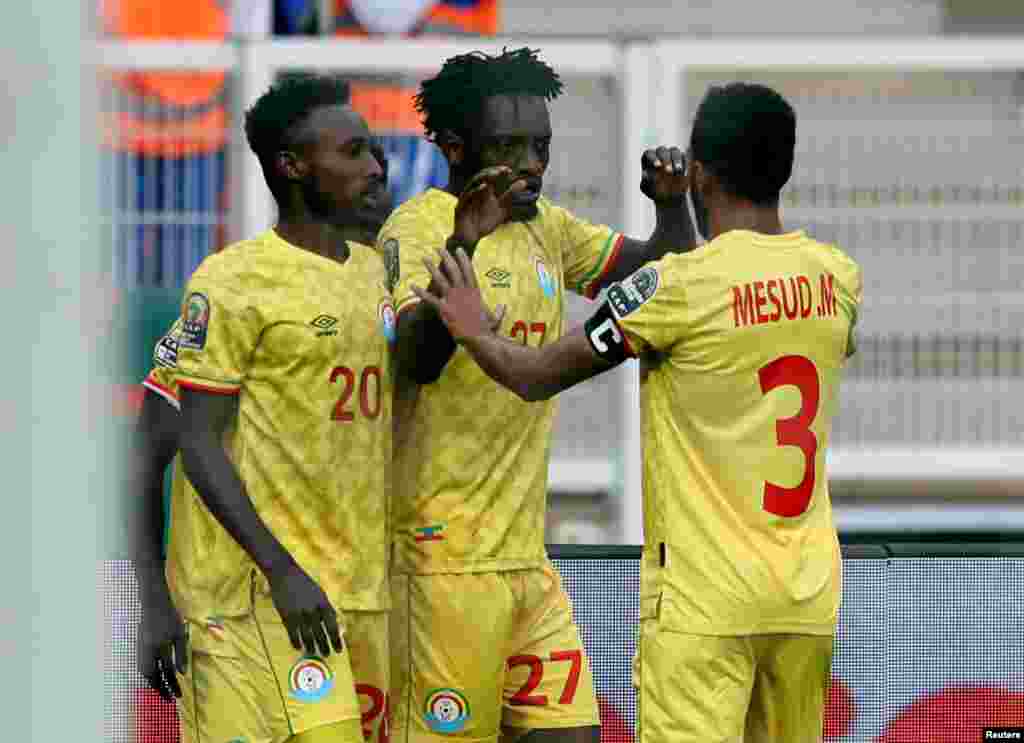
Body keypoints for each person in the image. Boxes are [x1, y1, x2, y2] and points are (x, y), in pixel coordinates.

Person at [411, 81, 863, 743]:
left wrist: (475, 330)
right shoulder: (836, 277)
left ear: (702, 172)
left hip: (705, 599)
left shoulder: (677, 288)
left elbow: (536, 376)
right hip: (808, 592)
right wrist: (674, 212)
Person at [376, 47, 695, 743]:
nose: (530, 164)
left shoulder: (547, 225)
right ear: (456, 146)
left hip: (526, 559)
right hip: (442, 563)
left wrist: (672, 211)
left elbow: (661, 271)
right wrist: (466, 240)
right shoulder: (420, 227)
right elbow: (415, 362)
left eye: (541, 146)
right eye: (508, 146)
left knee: (575, 734)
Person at [131, 73, 395, 743]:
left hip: (355, 597)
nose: (376, 164)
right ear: (294, 166)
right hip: (247, 606)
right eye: (354, 151)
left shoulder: (374, 274)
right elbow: (161, 448)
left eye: (373, 149)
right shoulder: (231, 283)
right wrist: (154, 600)